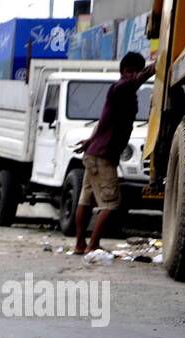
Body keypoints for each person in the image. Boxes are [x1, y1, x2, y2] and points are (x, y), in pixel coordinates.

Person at [73, 51, 156, 256]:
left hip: (94, 153)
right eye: (135, 71)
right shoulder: (122, 87)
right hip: (103, 157)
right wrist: (159, 62)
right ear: (128, 71)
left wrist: (89, 141)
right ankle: (93, 244)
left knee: (86, 200)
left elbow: (104, 122)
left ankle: (79, 245)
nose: (137, 75)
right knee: (110, 203)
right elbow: (138, 79)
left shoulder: (119, 93)